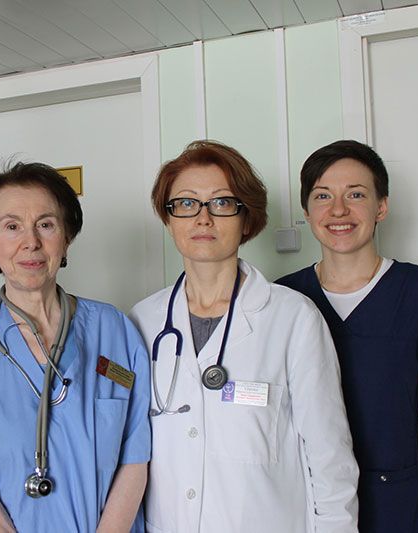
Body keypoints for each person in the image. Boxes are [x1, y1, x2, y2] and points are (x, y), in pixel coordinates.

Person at [129, 140, 359, 532]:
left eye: (221, 203)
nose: (203, 218)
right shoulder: (142, 321)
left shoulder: (293, 317)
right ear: (169, 219)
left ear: (246, 218)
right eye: (185, 203)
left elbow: (329, 457)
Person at [0, 161, 151, 532]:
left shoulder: (115, 330)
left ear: (66, 238)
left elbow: (135, 458)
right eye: (12, 226)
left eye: (46, 225)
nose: (31, 241)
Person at [277, 139, 418, 532]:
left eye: (356, 194)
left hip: (393, 505)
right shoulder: (283, 298)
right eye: (322, 196)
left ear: (382, 207)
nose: (338, 210)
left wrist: (397, 466)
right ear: (307, 211)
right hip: (304, 501)